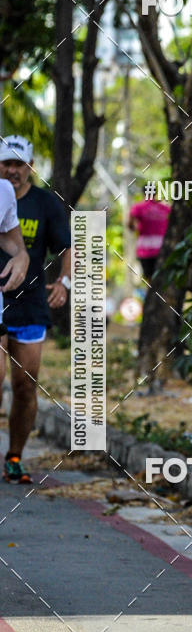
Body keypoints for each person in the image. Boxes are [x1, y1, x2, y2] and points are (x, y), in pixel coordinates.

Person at [0, 135, 71, 484]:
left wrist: (64, 283)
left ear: (30, 167)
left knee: (25, 386)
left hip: (30, 305)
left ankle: (14, 456)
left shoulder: (45, 203)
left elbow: (66, 247)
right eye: (6, 163)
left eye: (19, 164)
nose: (13, 170)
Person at [128, 193, 170, 283]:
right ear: (155, 193)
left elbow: (131, 226)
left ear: (143, 193)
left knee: (149, 278)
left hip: (145, 248)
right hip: (162, 246)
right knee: (162, 277)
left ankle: (152, 294)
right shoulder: (164, 208)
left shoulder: (138, 207)